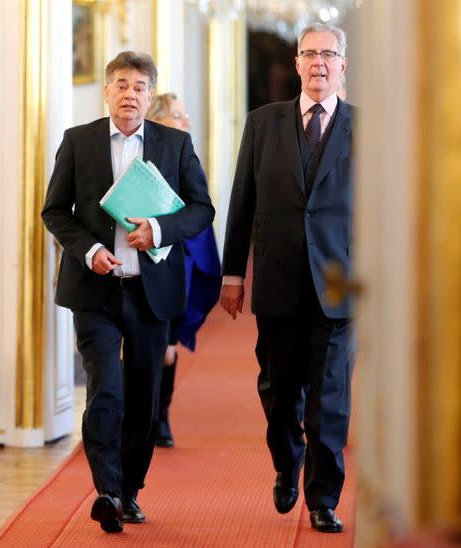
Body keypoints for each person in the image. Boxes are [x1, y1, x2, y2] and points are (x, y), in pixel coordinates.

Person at [42, 51, 214, 533]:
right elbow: (55, 211)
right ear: (106, 90)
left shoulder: (175, 145)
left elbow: (202, 209)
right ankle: (107, 492)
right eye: (121, 84)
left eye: (139, 86)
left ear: (150, 95)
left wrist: (158, 231)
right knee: (106, 390)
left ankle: (131, 489)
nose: (129, 94)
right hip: (95, 289)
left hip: (150, 290)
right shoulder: (79, 142)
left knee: (142, 396)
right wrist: (90, 248)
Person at [220, 22, 355, 533]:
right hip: (276, 282)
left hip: (340, 288)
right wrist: (234, 272)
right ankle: (286, 460)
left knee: (330, 398)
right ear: (297, 63)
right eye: (310, 54)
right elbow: (242, 201)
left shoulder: (363, 126)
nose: (319, 63)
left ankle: (323, 498)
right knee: (278, 394)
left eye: (329, 54)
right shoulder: (263, 123)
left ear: (343, 65)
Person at [145, 93, 221, 448]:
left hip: (179, 256)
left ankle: (161, 415)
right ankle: (135, 416)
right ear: (156, 119)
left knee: (168, 343)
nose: (186, 122)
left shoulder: (183, 152)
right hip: (137, 256)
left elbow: (199, 205)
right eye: (178, 115)